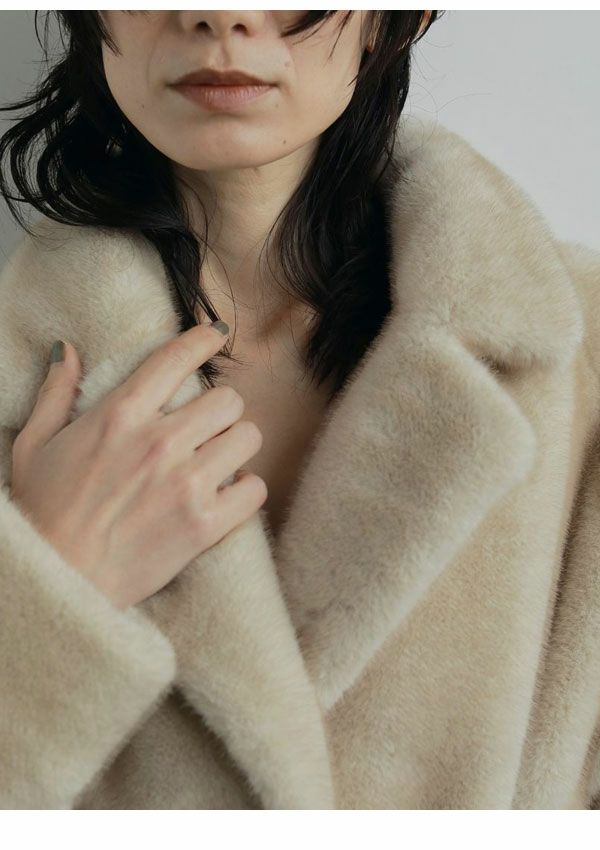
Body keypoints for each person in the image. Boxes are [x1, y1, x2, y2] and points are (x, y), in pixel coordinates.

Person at [0, 10, 599, 810]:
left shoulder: (579, 353)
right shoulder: (17, 370)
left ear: (393, 18)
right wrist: (46, 592)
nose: (222, 15)